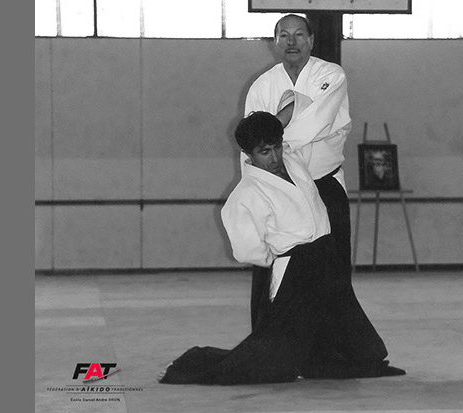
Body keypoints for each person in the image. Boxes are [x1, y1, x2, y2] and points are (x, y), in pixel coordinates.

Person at [157, 112, 404, 385]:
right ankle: (193, 363)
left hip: (326, 256)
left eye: (276, 147)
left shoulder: (294, 163)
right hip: (295, 271)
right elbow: (246, 250)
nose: (274, 158)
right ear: (248, 154)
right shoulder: (246, 194)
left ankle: (358, 361)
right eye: (264, 152)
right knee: (274, 361)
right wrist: (278, 258)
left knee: (342, 323)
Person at [243, 14, 353, 329]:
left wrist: (272, 128)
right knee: (274, 270)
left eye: (299, 34)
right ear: (275, 42)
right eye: (284, 35)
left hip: (325, 186)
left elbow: (317, 120)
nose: (292, 42)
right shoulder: (262, 86)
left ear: (311, 40)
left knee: (332, 271)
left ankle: (332, 347)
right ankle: (270, 340)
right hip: (278, 190)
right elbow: (250, 145)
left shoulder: (331, 75)